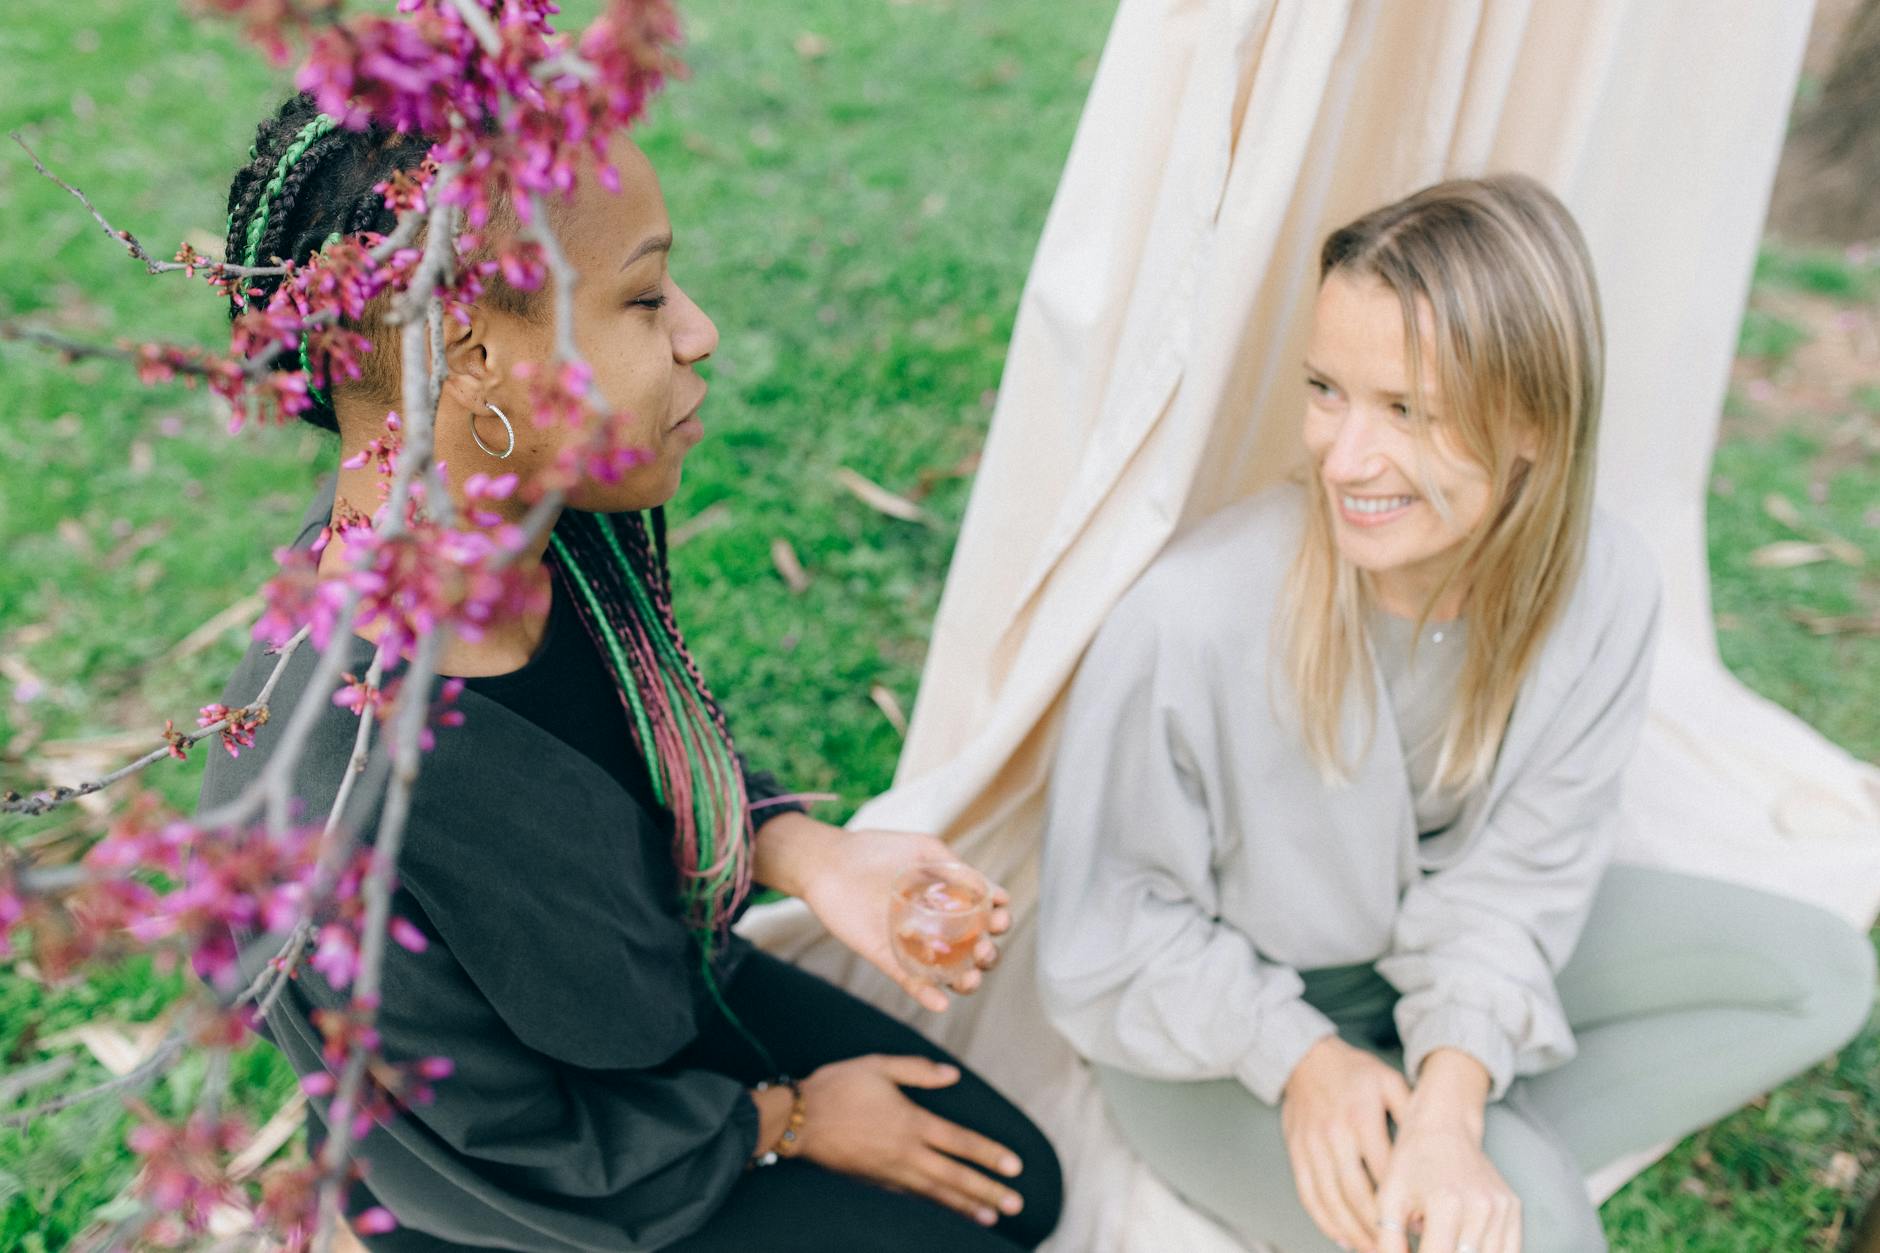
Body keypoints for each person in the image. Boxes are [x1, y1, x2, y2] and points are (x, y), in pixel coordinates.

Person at [198, 93, 1061, 1252]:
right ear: (470, 351)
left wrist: (810, 853)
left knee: (1024, 1187)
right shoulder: (318, 806)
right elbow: (486, 1145)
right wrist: (791, 1119)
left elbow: (633, 754)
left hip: (647, 998)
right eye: (646, 297)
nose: (699, 331)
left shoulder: (544, 515)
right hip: (517, 1182)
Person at [1036, 175, 1873, 1253]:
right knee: (1531, 1233)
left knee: (1815, 976)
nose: (1344, 457)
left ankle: (1457, 1150)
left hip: (1433, 965)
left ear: (1533, 423)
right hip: (1218, 1041)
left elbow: (1520, 880)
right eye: (1326, 389)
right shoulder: (1188, 617)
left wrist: (1446, 1104)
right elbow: (1106, 933)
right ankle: (1480, 1174)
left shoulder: (1605, 587)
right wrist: (1303, 1058)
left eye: (1407, 411)